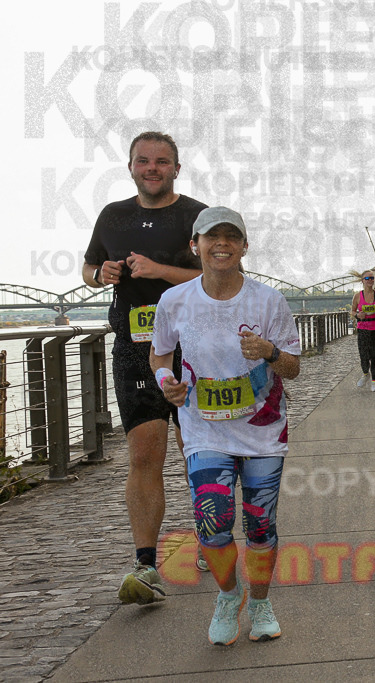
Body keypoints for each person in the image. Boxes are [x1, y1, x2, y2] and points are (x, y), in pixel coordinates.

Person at [151, 206, 300, 645]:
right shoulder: (174, 301)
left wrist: (269, 351)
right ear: (195, 245)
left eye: (230, 237)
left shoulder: (269, 301)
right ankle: (227, 596)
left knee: (260, 526)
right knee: (213, 522)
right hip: (204, 431)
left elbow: (293, 367)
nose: (221, 244)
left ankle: (260, 602)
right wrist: (166, 383)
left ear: (244, 247)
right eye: (211, 236)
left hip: (263, 431)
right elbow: (159, 356)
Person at [82, 131, 207, 604]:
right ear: (130, 166)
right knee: (143, 455)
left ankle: (209, 538)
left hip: (195, 346)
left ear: (177, 168)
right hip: (135, 347)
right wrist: (101, 275)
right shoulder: (113, 216)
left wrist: (161, 272)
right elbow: (89, 267)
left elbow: (220, 273)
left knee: (196, 449)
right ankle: (146, 564)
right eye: (143, 161)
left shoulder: (198, 215)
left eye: (162, 161)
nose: (152, 168)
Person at [352, 270, 375, 391]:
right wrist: (357, 315)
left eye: (372, 278)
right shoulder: (357, 296)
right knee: (364, 356)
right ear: (362, 281)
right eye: (367, 278)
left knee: (374, 356)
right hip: (362, 329)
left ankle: (374, 383)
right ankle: (366, 374)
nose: (370, 280)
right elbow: (353, 311)